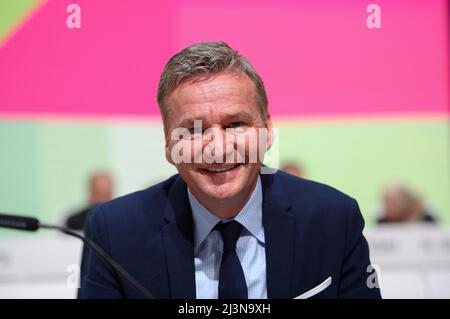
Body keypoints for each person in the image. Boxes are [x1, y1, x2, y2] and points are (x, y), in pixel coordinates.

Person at [79, 41, 381, 299]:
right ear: (169, 145)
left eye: (235, 124)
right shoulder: (114, 234)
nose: (218, 148)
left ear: (267, 130)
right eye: (194, 130)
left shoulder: (334, 220)